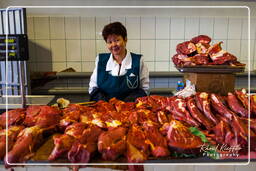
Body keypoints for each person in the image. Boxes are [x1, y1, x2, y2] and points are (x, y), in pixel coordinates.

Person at [89, 22, 149, 102]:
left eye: (117, 40)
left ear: (125, 40)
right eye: (109, 42)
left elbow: (144, 89)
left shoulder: (138, 61)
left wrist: (125, 104)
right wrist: (106, 103)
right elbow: (93, 88)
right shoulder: (100, 61)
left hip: (131, 111)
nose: (113, 45)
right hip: (104, 110)